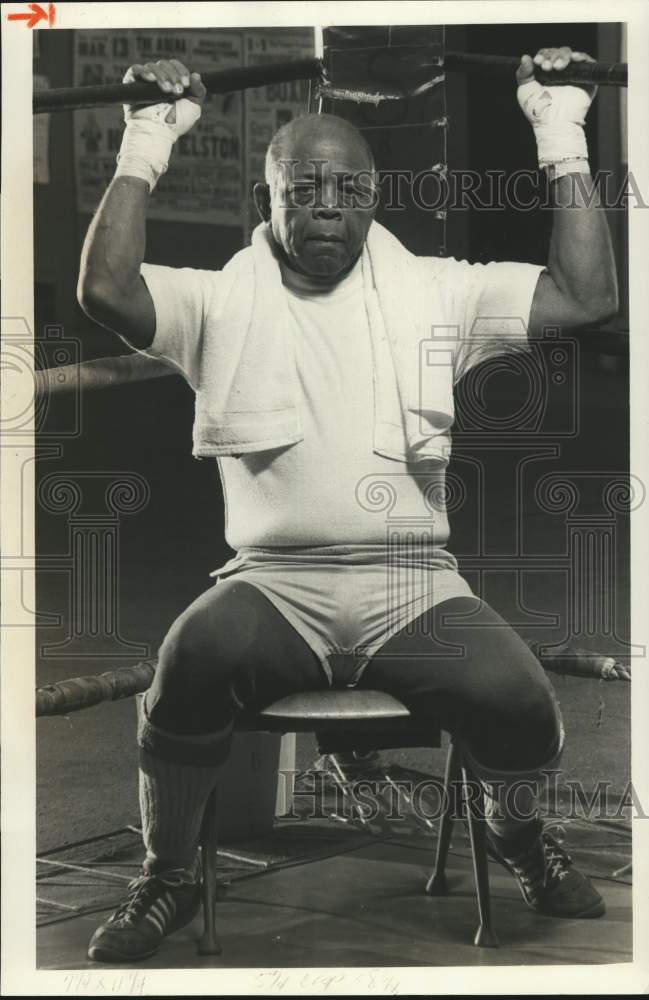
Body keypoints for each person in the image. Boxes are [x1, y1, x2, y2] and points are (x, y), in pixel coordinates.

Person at [77, 46, 618, 963]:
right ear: (267, 202)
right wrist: (144, 142)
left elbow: (587, 293)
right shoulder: (214, 302)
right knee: (188, 661)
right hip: (274, 588)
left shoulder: (437, 290)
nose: (327, 206)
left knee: (521, 697)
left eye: (349, 191)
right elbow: (107, 289)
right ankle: (165, 876)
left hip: (414, 587)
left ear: (374, 202)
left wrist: (559, 130)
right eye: (304, 190)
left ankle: (519, 840)